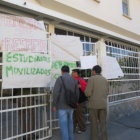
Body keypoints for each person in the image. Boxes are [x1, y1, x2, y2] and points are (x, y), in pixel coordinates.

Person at [53, 65, 79, 140]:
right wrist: (75, 103)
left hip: (62, 106)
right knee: (70, 123)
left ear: (62, 71)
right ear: (69, 71)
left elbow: (56, 93)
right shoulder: (74, 80)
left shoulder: (60, 79)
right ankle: (71, 138)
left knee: (64, 125)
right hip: (71, 106)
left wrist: (54, 104)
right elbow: (77, 93)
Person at [85, 65, 109, 140]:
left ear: (94, 71)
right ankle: (104, 138)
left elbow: (87, 93)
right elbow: (107, 92)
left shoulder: (91, 79)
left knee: (94, 124)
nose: (92, 72)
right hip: (103, 104)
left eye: (92, 71)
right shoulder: (105, 79)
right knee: (103, 124)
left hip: (94, 105)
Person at [72, 69, 87, 133]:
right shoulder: (71, 79)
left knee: (80, 116)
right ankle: (73, 129)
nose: (72, 73)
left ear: (76, 73)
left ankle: (82, 128)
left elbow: (86, 89)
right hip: (73, 101)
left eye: (73, 72)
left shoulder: (81, 80)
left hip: (80, 101)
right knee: (73, 116)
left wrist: (80, 86)